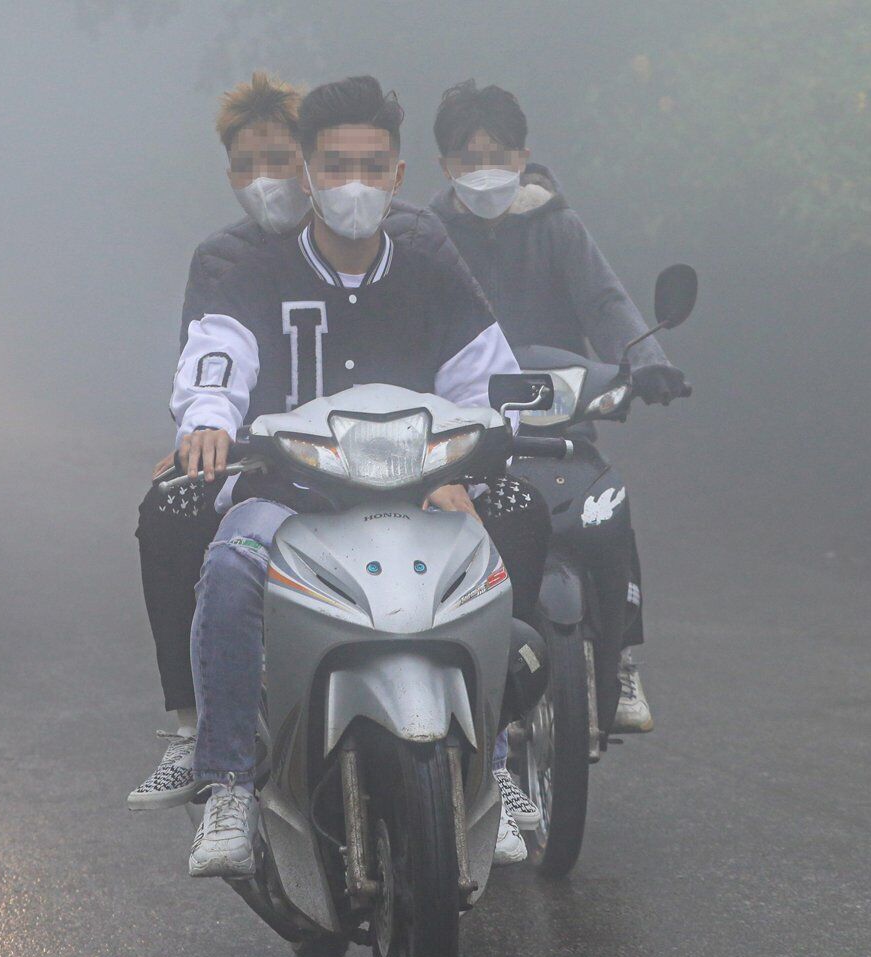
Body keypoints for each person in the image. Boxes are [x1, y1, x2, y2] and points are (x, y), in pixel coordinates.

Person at [145, 75, 550, 877]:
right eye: (335, 167)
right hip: (288, 491)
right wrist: (208, 420)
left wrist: (471, 459)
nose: (352, 186)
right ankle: (227, 782)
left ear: (398, 175)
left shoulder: (429, 265)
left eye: (371, 168)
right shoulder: (254, 271)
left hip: (418, 490)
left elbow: (485, 379)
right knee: (230, 564)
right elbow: (217, 355)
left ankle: (495, 767)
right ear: (306, 174)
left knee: (500, 540)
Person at [427, 80, 691, 734]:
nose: (483, 171)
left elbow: (604, 301)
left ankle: (619, 654)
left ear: (523, 157)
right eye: (467, 158)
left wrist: (647, 362)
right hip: (464, 423)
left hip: (558, 412)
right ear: (443, 165)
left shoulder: (556, 225)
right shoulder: (427, 235)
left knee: (604, 506)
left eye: (497, 155)